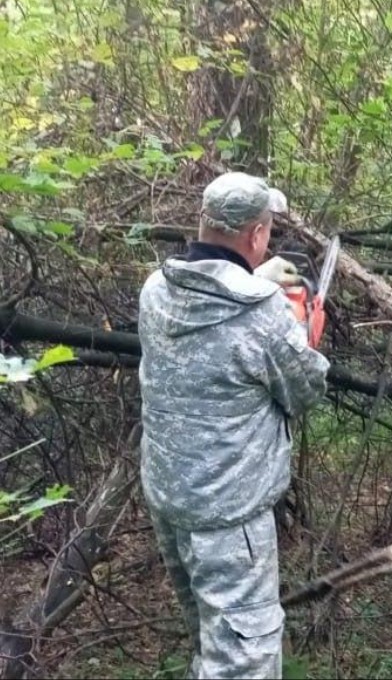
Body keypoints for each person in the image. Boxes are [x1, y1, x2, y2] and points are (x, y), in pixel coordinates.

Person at [137, 171, 330, 679]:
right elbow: (304, 390)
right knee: (244, 662)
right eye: (267, 229)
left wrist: (255, 278)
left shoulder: (157, 289)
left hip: (172, 501)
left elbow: (213, 328)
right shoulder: (262, 312)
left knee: (209, 643)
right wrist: (304, 333)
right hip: (228, 517)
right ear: (257, 236)